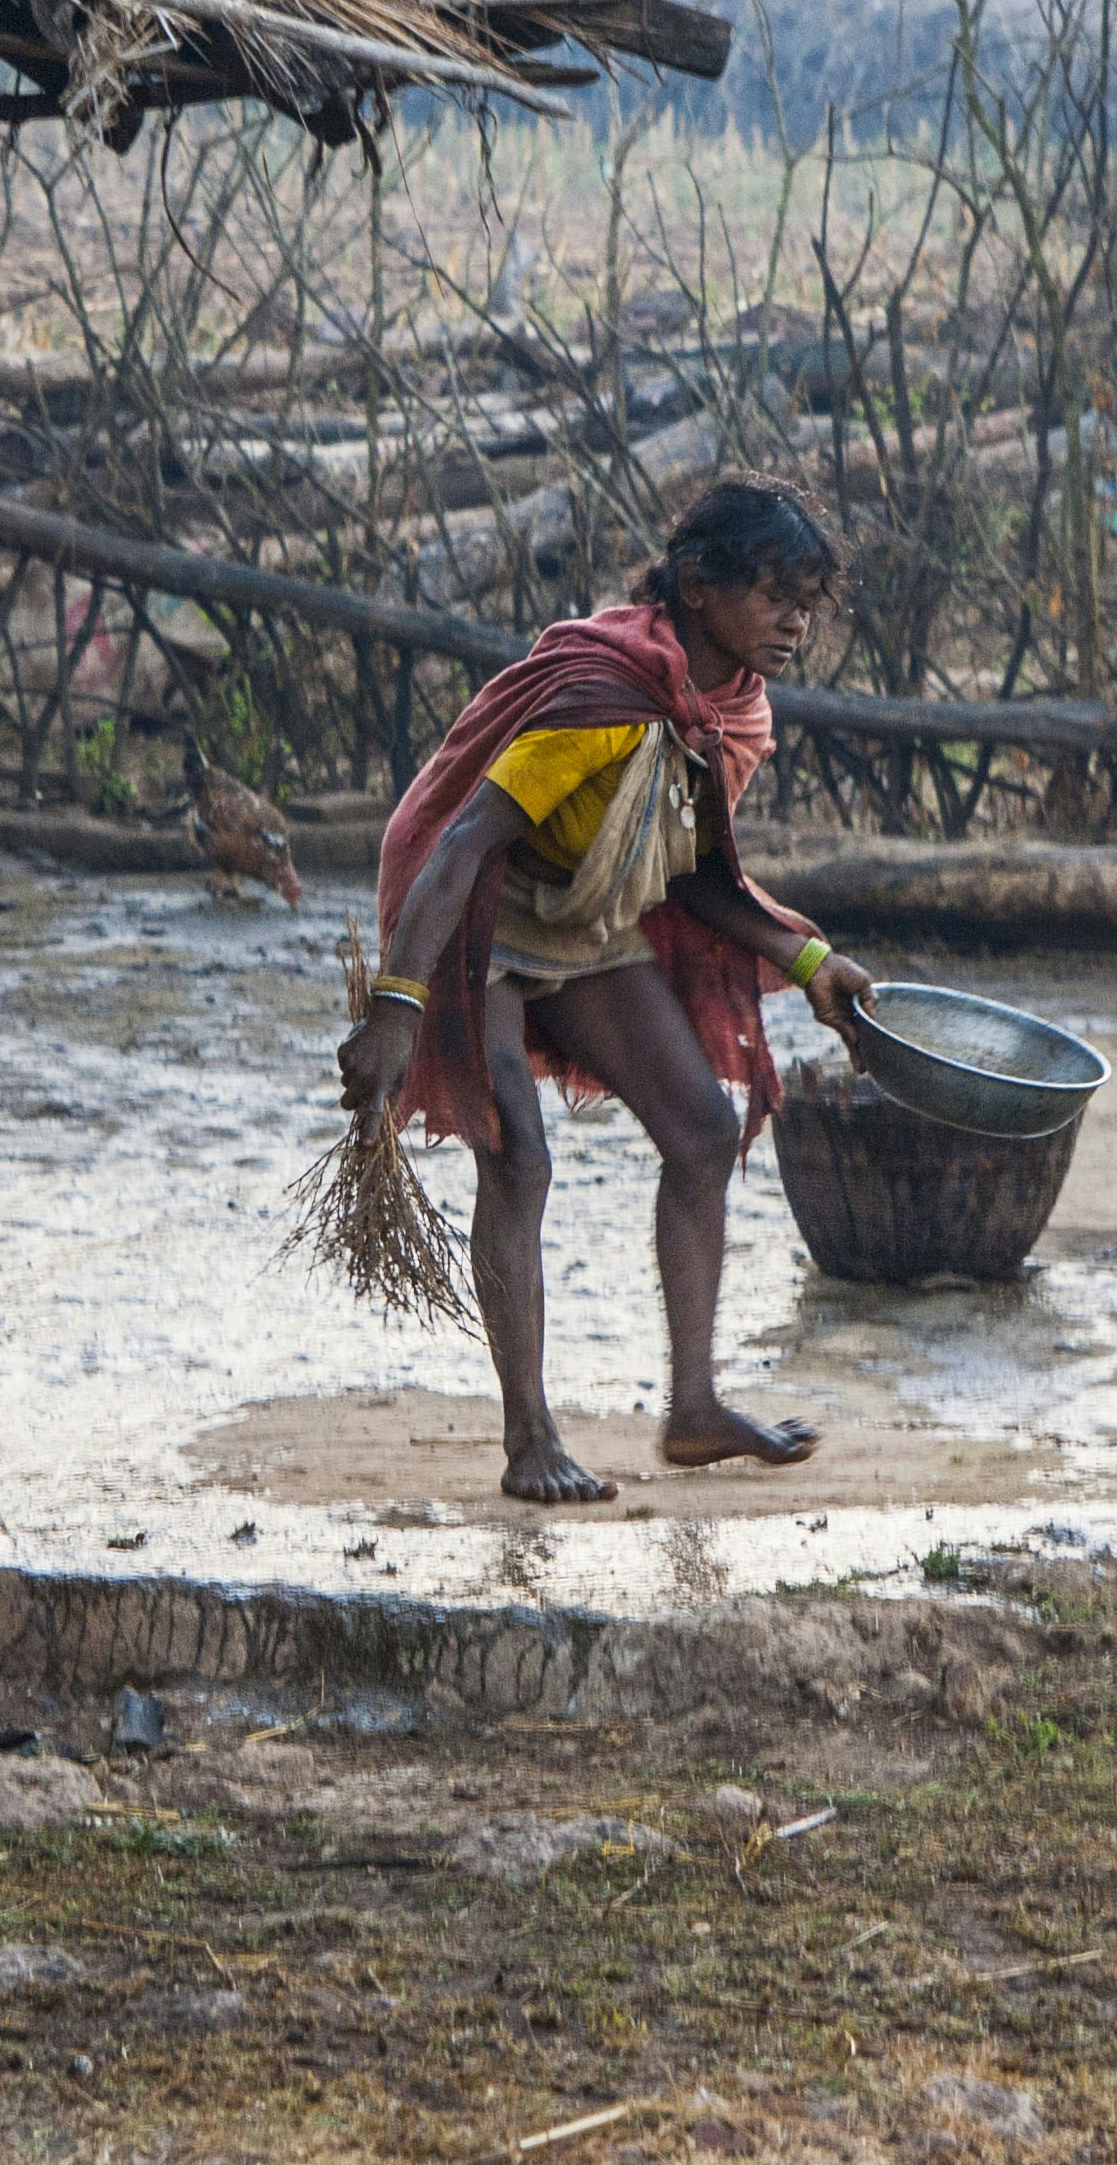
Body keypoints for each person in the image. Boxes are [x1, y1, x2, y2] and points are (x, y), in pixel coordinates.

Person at [335, 473, 878, 1503]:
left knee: (702, 1133)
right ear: (695, 586)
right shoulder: (600, 700)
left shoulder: (727, 711)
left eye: (805, 603)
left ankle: (693, 1409)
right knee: (518, 1155)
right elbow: (463, 843)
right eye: (774, 596)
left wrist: (809, 964)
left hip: (581, 918)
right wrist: (394, 1008)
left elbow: (694, 871)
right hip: (481, 911)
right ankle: (527, 1436)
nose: (793, 623)